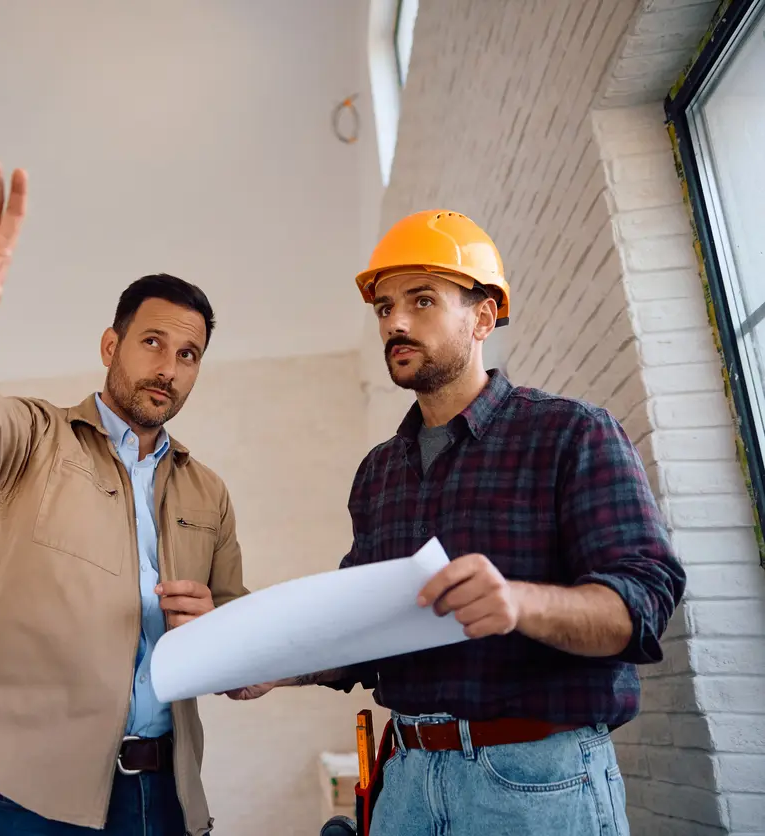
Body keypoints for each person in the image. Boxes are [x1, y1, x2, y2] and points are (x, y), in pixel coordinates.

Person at [230, 210, 685, 835]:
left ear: (484, 316)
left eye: (422, 300)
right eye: (385, 307)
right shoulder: (379, 472)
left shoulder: (571, 433)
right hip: (407, 781)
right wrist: (271, 662)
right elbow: (363, 634)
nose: (396, 322)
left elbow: (643, 604)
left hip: (537, 783)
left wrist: (519, 603)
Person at [0, 158, 248, 836]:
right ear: (110, 344)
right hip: (30, 796)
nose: (168, 368)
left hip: (167, 793)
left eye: (189, 355)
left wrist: (220, 627)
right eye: (153, 342)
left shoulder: (208, 491)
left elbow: (238, 629)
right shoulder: (34, 440)